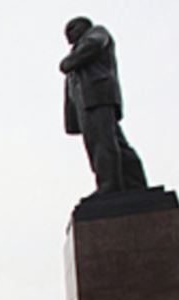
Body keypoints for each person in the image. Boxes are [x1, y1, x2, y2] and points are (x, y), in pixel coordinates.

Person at [61, 16, 147, 194]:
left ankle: (109, 185)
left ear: (84, 26)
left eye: (71, 28)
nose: (68, 35)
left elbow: (93, 45)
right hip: (87, 102)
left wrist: (67, 62)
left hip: (97, 97)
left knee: (102, 142)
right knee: (112, 142)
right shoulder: (80, 47)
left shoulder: (96, 33)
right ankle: (134, 183)